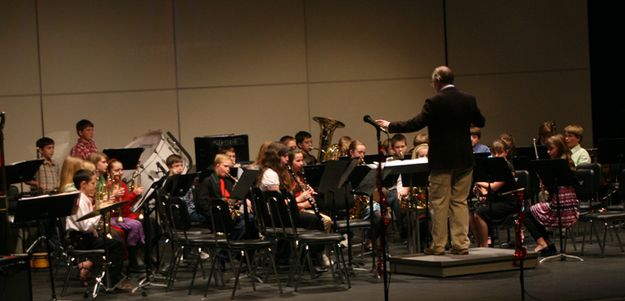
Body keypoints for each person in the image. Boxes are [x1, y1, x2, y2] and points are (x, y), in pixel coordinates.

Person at [377, 65, 486, 255]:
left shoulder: (434, 101)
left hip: (443, 161)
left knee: (439, 202)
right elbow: (481, 121)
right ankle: (461, 245)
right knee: (460, 202)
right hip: (464, 160)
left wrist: (390, 125)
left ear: (437, 81)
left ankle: (438, 246)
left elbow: (416, 123)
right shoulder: (469, 99)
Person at [65, 169, 129, 289]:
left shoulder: (84, 198)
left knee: (116, 239)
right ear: (83, 184)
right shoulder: (79, 200)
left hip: (86, 237)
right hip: (80, 239)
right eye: (93, 183)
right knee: (116, 244)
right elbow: (85, 227)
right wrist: (100, 211)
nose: (96, 186)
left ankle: (100, 271)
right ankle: (111, 280)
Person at [523, 134, 579, 255]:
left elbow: (559, 187)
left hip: (562, 205)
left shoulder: (560, 164)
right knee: (532, 213)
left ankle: (543, 242)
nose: (548, 152)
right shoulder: (568, 161)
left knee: (526, 214)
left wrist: (547, 183)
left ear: (560, 147)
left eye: (551, 149)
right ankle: (548, 245)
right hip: (567, 204)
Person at [471, 140, 519, 247]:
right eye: (494, 153)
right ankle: (480, 242)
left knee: (480, 212)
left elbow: (493, 187)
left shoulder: (506, 166)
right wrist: (481, 191)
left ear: (506, 152)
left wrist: (478, 181)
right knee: (472, 211)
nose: (496, 155)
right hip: (497, 199)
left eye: (500, 152)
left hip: (508, 201)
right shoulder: (493, 166)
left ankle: (484, 245)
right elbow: (488, 188)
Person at [197, 154, 255, 240]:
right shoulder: (208, 181)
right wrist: (222, 201)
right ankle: (228, 248)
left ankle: (237, 247)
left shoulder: (228, 181)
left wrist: (236, 201)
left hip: (229, 213)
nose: (228, 169)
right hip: (216, 215)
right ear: (217, 165)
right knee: (244, 223)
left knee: (249, 219)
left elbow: (231, 198)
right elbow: (202, 202)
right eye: (225, 166)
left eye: (229, 167)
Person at [107, 159, 146, 271]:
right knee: (136, 225)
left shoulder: (122, 184)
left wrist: (137, 197)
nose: (120, 172)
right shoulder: (109, 186)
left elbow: (127, 205)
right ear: (109, 172)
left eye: (121, 170)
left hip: (125, 214)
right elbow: (119, 206)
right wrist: (133, 194)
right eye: (116, 170)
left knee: (149, 221)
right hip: (113, 217)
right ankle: (133, 259)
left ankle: (144, 256)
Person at [288, 149, 332, 233]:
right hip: (296, 210)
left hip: (304, 208)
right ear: (289, 162)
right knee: (326, 220)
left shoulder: (300, 175)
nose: (301, 163)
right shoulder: (287, 178)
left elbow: (307, 196)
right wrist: (303, 204)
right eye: (298, 161)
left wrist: (310, 193)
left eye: (302, 160)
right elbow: (289, 201)